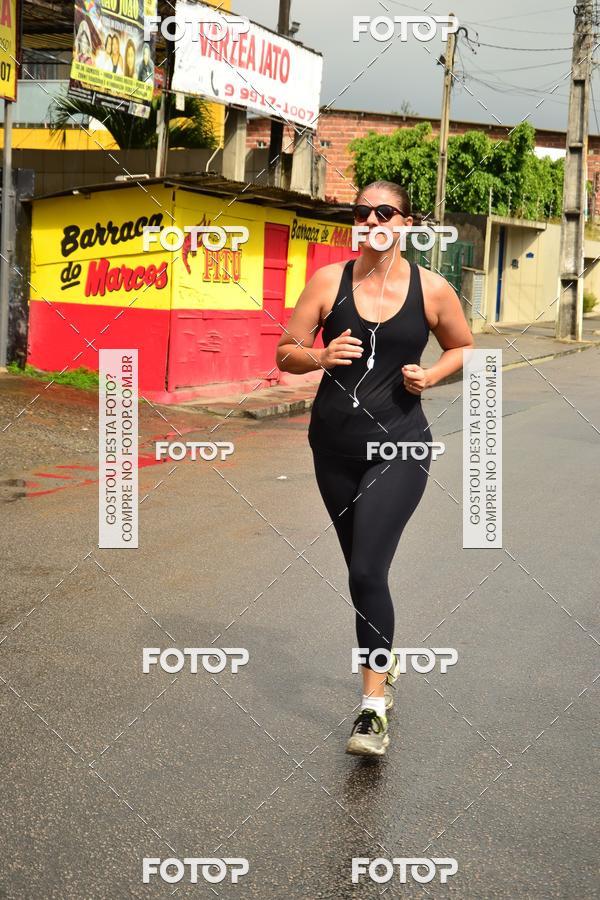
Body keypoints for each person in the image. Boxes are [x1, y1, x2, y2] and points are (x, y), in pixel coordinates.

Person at [276, 181, 474, 757]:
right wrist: (320, 355)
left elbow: (463, 348)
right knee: (364, 575)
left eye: (384, 212)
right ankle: (383, 665)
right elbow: (285, 352)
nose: (371, 221)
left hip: (401, 446)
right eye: (361, 212)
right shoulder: (327, 282)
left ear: (407, 223)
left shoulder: (432, 289)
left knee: (366, 570)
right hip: (333, 447)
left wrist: (431, 375)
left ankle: (372, 710)